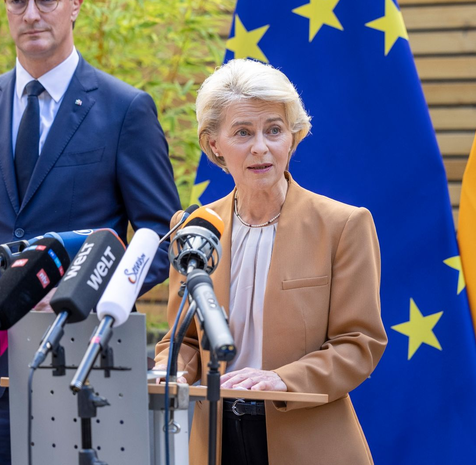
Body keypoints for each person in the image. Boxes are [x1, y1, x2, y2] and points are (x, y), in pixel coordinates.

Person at [0, 0, 181, 465]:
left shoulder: (125, 109)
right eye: (18, 1)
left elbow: (160, 238)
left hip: (86, 369)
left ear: (76, 5)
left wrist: (79, 293)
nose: (32, 14)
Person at [154, 58, 386, 465]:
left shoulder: (343, 225)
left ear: (293, 139)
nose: (261, 147)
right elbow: (184, 338)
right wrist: (171, 369)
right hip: (215, 441)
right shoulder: (193, 227)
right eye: (243, 132)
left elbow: (359, 344)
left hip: (309, 444)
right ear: (214, 145)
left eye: (274, 130)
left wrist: (281, 379)